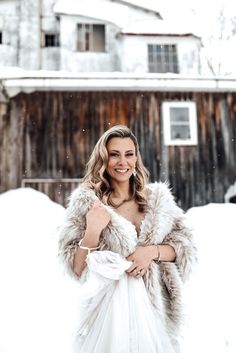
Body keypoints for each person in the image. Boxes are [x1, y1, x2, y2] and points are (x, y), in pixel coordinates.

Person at [58, 125, 196, 353]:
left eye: (128, 154)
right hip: (111, 314)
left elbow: (185, 248)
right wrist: (92, 230)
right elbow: (77, 268)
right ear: (103, 158)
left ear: (136, 157)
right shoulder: (88, 204)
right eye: (114, 154)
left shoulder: (157, 201)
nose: (123, 162)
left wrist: (151, 252)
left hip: (155, 311)